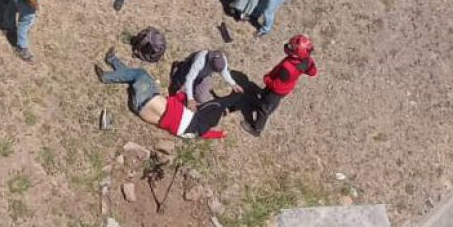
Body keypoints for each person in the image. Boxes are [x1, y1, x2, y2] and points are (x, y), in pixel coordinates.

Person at [96, 48, 228, 139]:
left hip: (148, 97)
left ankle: (106, 76)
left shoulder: (189, 113)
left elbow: (177, 96)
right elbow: (206, 134)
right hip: (139, 110)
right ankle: (112, 60)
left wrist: (185, 96)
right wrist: (220, 134)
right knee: (133, 78)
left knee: (140, 74)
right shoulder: (191, 133)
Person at [243, 34, 317, 137]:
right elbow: (313, 72)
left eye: (291, 47)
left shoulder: (288, 68)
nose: (288, 47)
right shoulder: (307, 60)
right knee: (265, 96)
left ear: (297, 53)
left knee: (265, 109)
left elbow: (276, 86)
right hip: (285, 87)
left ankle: (256, 129)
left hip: (277, 90)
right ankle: (261, 104)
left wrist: (267, 79)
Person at [169, 50, 243, 109]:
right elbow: (189, 79)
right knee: (179, 92)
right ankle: (177, 69)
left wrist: (233, 84)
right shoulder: (200, 60)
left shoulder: (222, 60)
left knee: (202, 99)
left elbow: (224, 72)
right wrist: (190, 99)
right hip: (188, 71)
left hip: (203, 75)